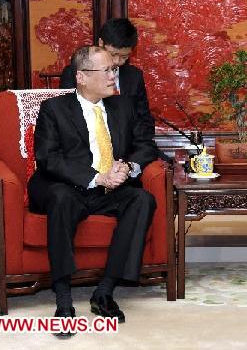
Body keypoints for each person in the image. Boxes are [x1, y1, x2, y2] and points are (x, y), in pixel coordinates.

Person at [29, 46, 158, 337]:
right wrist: (97, 177)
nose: (115, 76)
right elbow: (48, 158)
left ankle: (105, 291)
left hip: (110, 189)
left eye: (115, 70)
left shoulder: (122, 106)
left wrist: (128, 167)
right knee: (60, 199)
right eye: (108, 71)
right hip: (69, 186)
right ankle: (63, 301)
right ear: (82, 77)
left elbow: (145, 144)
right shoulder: (55, 109)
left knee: (142, 199)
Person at [60, 18, 155, 142]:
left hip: (128, 147)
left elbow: (145, 121)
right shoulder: (76, 73)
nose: (116, 61)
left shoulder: (134, 77)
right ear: (101, 43)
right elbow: (67, 119)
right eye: (112, 54)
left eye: (124, 57)